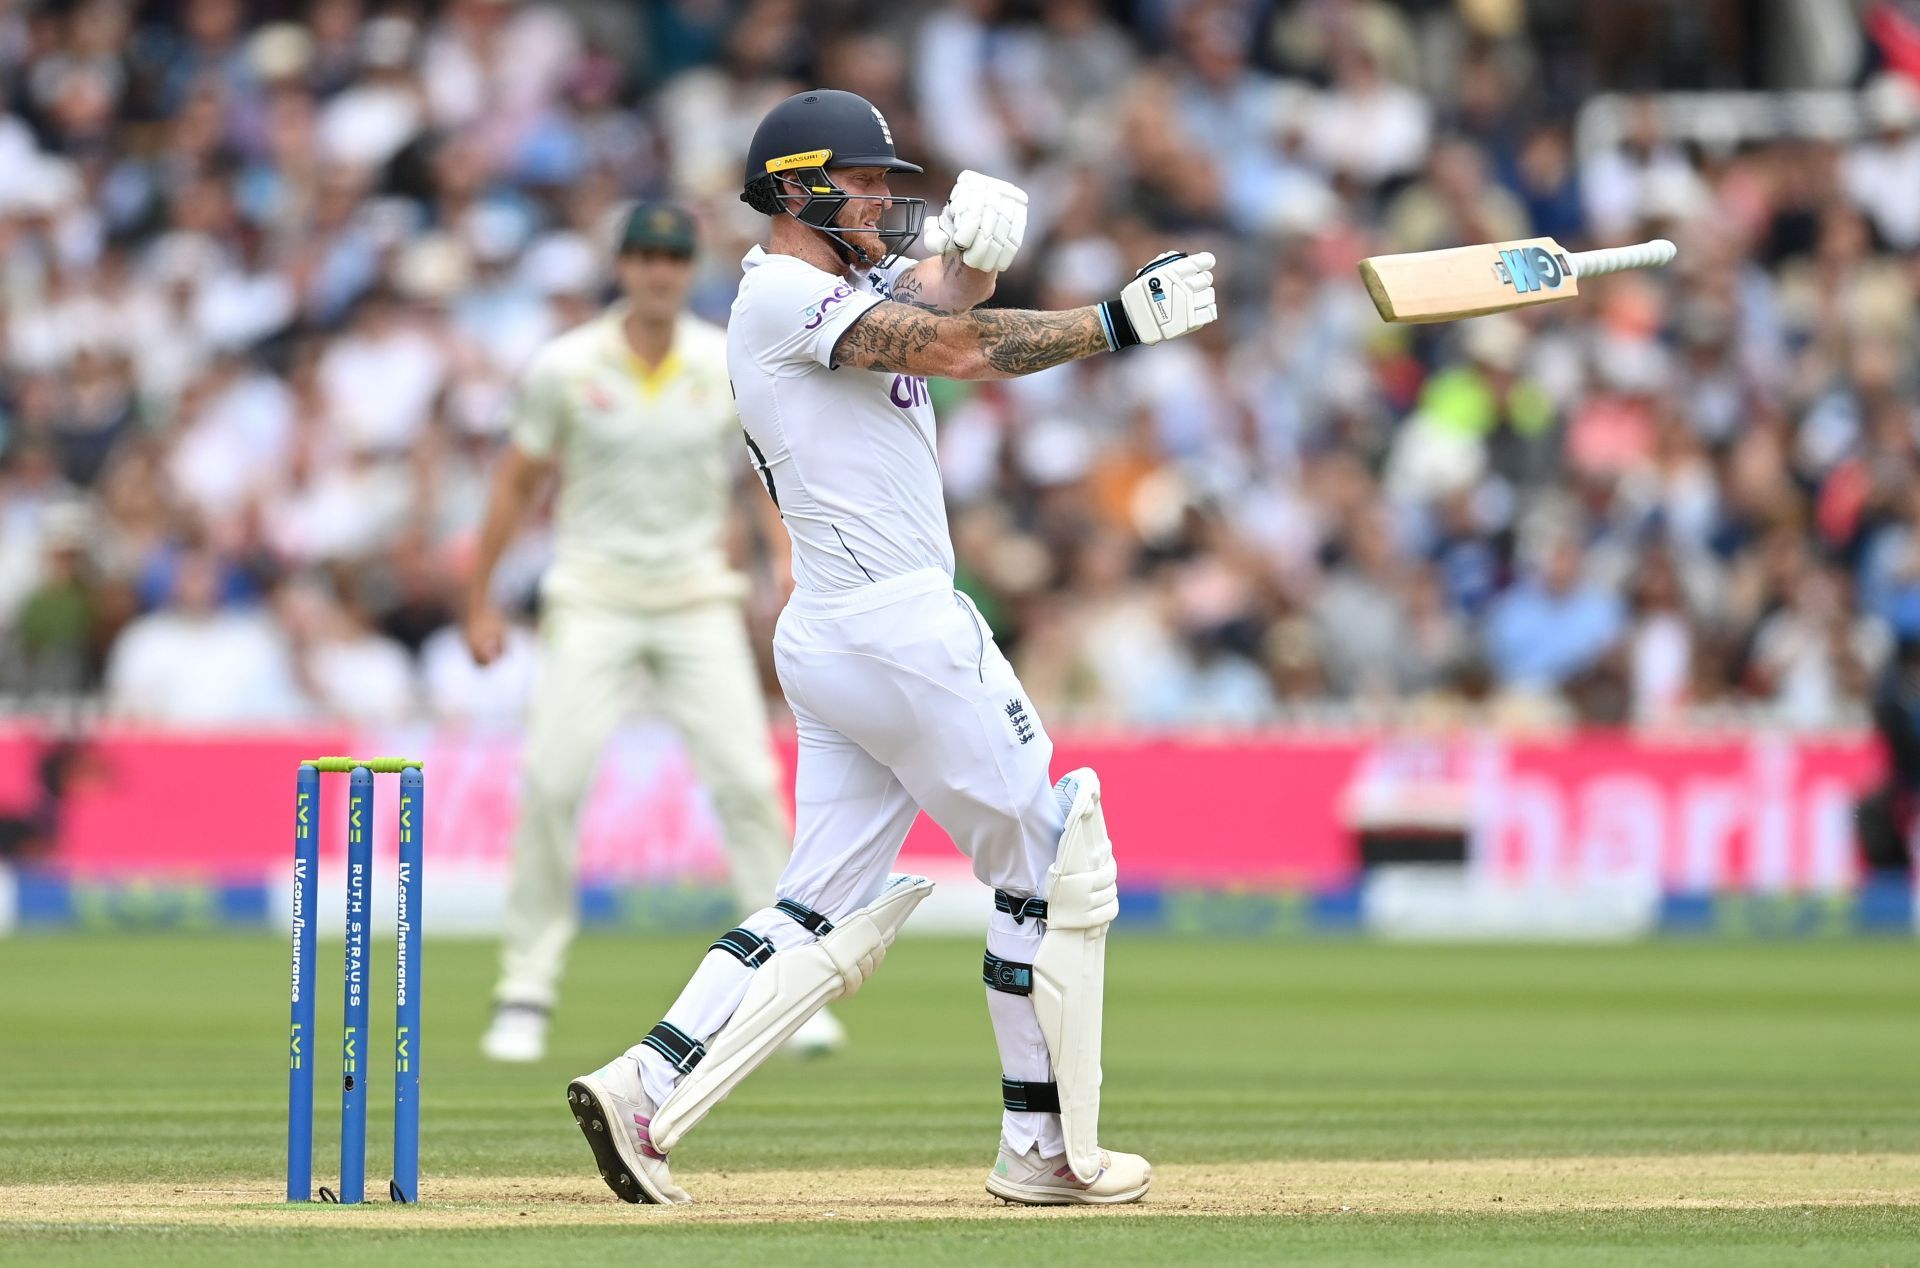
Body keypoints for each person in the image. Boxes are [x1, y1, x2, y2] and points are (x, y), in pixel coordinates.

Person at [564, 89, 1216, 1207]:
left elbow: (945, 302)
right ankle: (1045, 1146)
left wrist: (974, 250)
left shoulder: (828, 288)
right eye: (863, 185)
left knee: (816, 906)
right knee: (1056, 866)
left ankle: (643, 1079)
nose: (881, 201)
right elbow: (956, 345)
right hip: (901, 624)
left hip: (833, 631)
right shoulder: (779, 294)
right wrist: (1114, 321)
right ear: (796, 189)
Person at [466, 202, 838, 1063]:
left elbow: (763, 477)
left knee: (748, 784)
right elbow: (515, 486)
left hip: (695, 598)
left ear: (688, 266)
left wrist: (788, 563)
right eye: (644, 255)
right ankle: (525, 988)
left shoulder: (722, 358)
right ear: (623, 266)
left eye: (673, 256)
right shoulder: (565, 366)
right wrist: (479, 599)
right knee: (553, 784)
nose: (659, 271)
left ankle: (788, 989)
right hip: (591, 596)